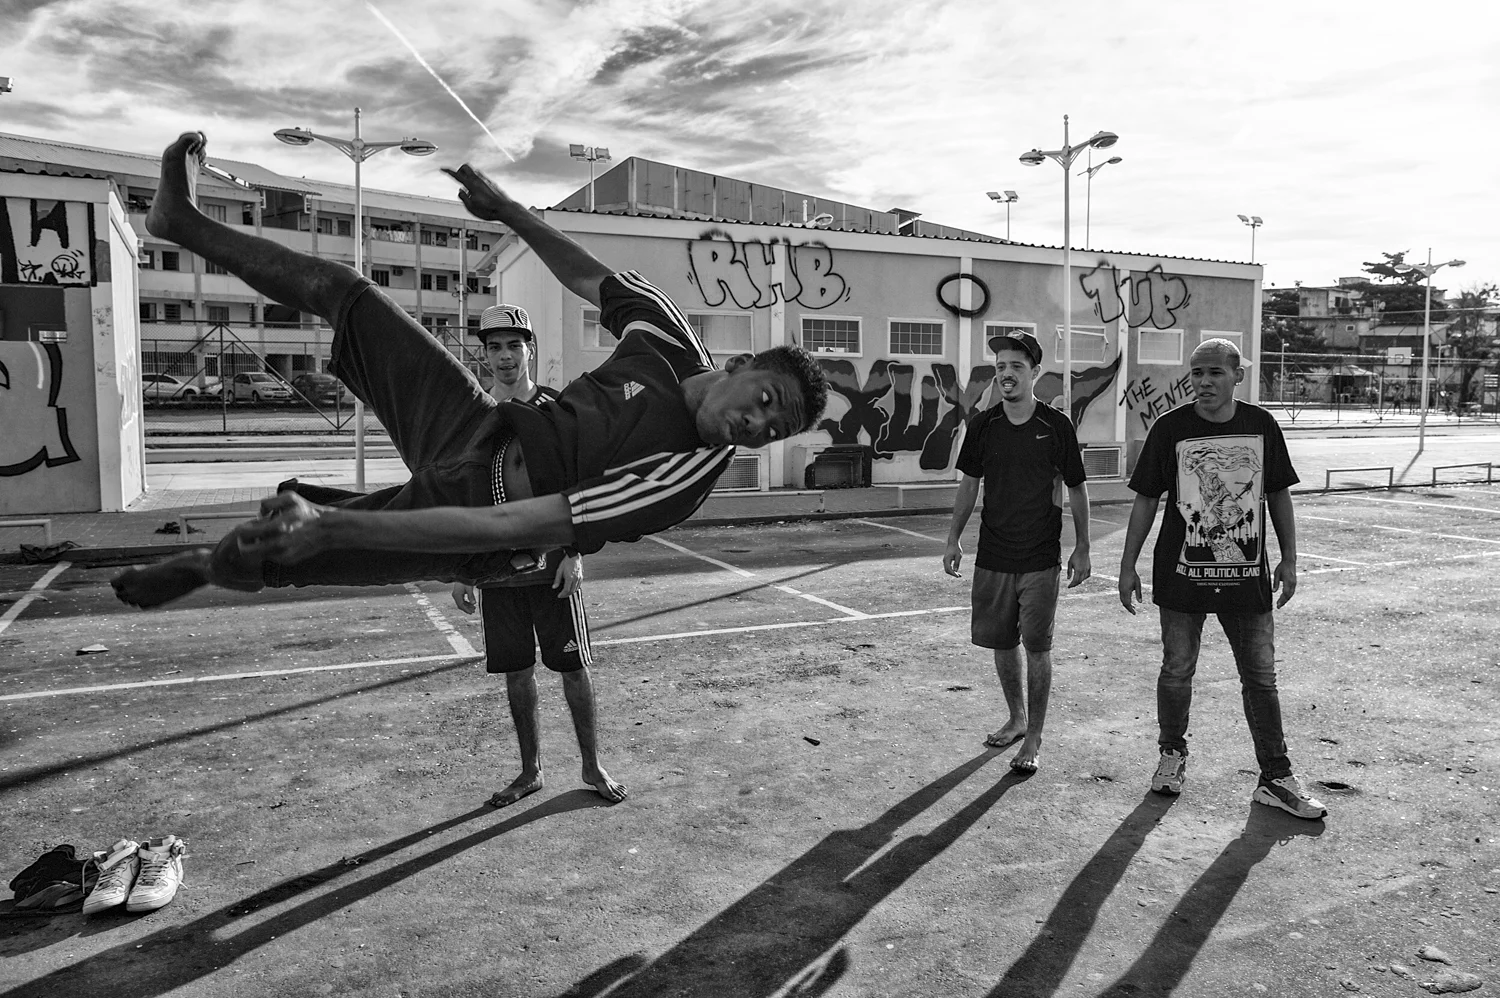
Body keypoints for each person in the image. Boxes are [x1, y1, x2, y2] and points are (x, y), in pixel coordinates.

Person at [111, 132, 827, 608]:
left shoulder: (683, 478)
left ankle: (207, 566)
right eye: (766, 400)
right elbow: (589, 277)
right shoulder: (667, 333)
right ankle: (180, 222)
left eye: (775, 430)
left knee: (289, 544)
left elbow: (514, 522)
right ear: (739, 365)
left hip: (480, 521)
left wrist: (335, 526)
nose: (759, 426)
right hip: (479, 426)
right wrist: (508, 210)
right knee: (352, 295)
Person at [1118, 338, 1326, 820]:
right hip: (1181, 575)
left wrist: (1289, 559)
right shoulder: (1170, 428)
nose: (1204, 381)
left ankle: (1275, 777)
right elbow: (1147, 499)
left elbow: (1277, 495)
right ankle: (1172, 754)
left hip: (1245, 577)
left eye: (1214, 372)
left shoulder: (1260, 425)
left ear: (1237, 376)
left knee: (1260, 678)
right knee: (1176, 671)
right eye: (1197, 373)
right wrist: (1127, 565)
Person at [449, 304, 623, 806]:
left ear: (530, 349)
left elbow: (580, 484)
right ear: (484, 356)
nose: (505, 356)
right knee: (517, 672)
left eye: (513, 346)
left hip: (553, 569)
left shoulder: (554, 408)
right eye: (494, 348)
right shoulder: (477, 417)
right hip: (498, 571)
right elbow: (466, 495)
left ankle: (591, 765)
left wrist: (576, 552)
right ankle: (531, 771)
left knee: (573, 668)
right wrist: (461, 570)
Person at [942, 330, 1091, 773]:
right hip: (993, 555)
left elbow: (1078, 488)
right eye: (1001, 366)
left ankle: (1035, 738)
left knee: (1037, 648)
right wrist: (954, 536)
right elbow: (970, 484)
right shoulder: (984, 425)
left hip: (1041, 556)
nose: (1006, 374)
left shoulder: (1056, 425)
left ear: (1035, 374)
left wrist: (1082, 547)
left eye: (1016, 367)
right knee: (1001, 642)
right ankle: (1016, 718)